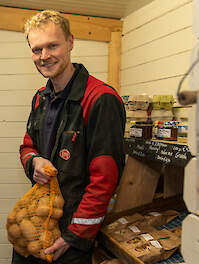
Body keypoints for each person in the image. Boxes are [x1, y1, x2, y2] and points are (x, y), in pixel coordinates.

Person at [16, 10, 126, 264]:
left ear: (71, 43)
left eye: (52, 46)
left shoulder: (100, 99)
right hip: (39, 220)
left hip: (72, 234)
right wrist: (34, 162)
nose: (44, 57)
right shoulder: (40, 98)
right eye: (36, 49)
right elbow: (27, 146)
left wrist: (74, 236)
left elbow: (105, 179)